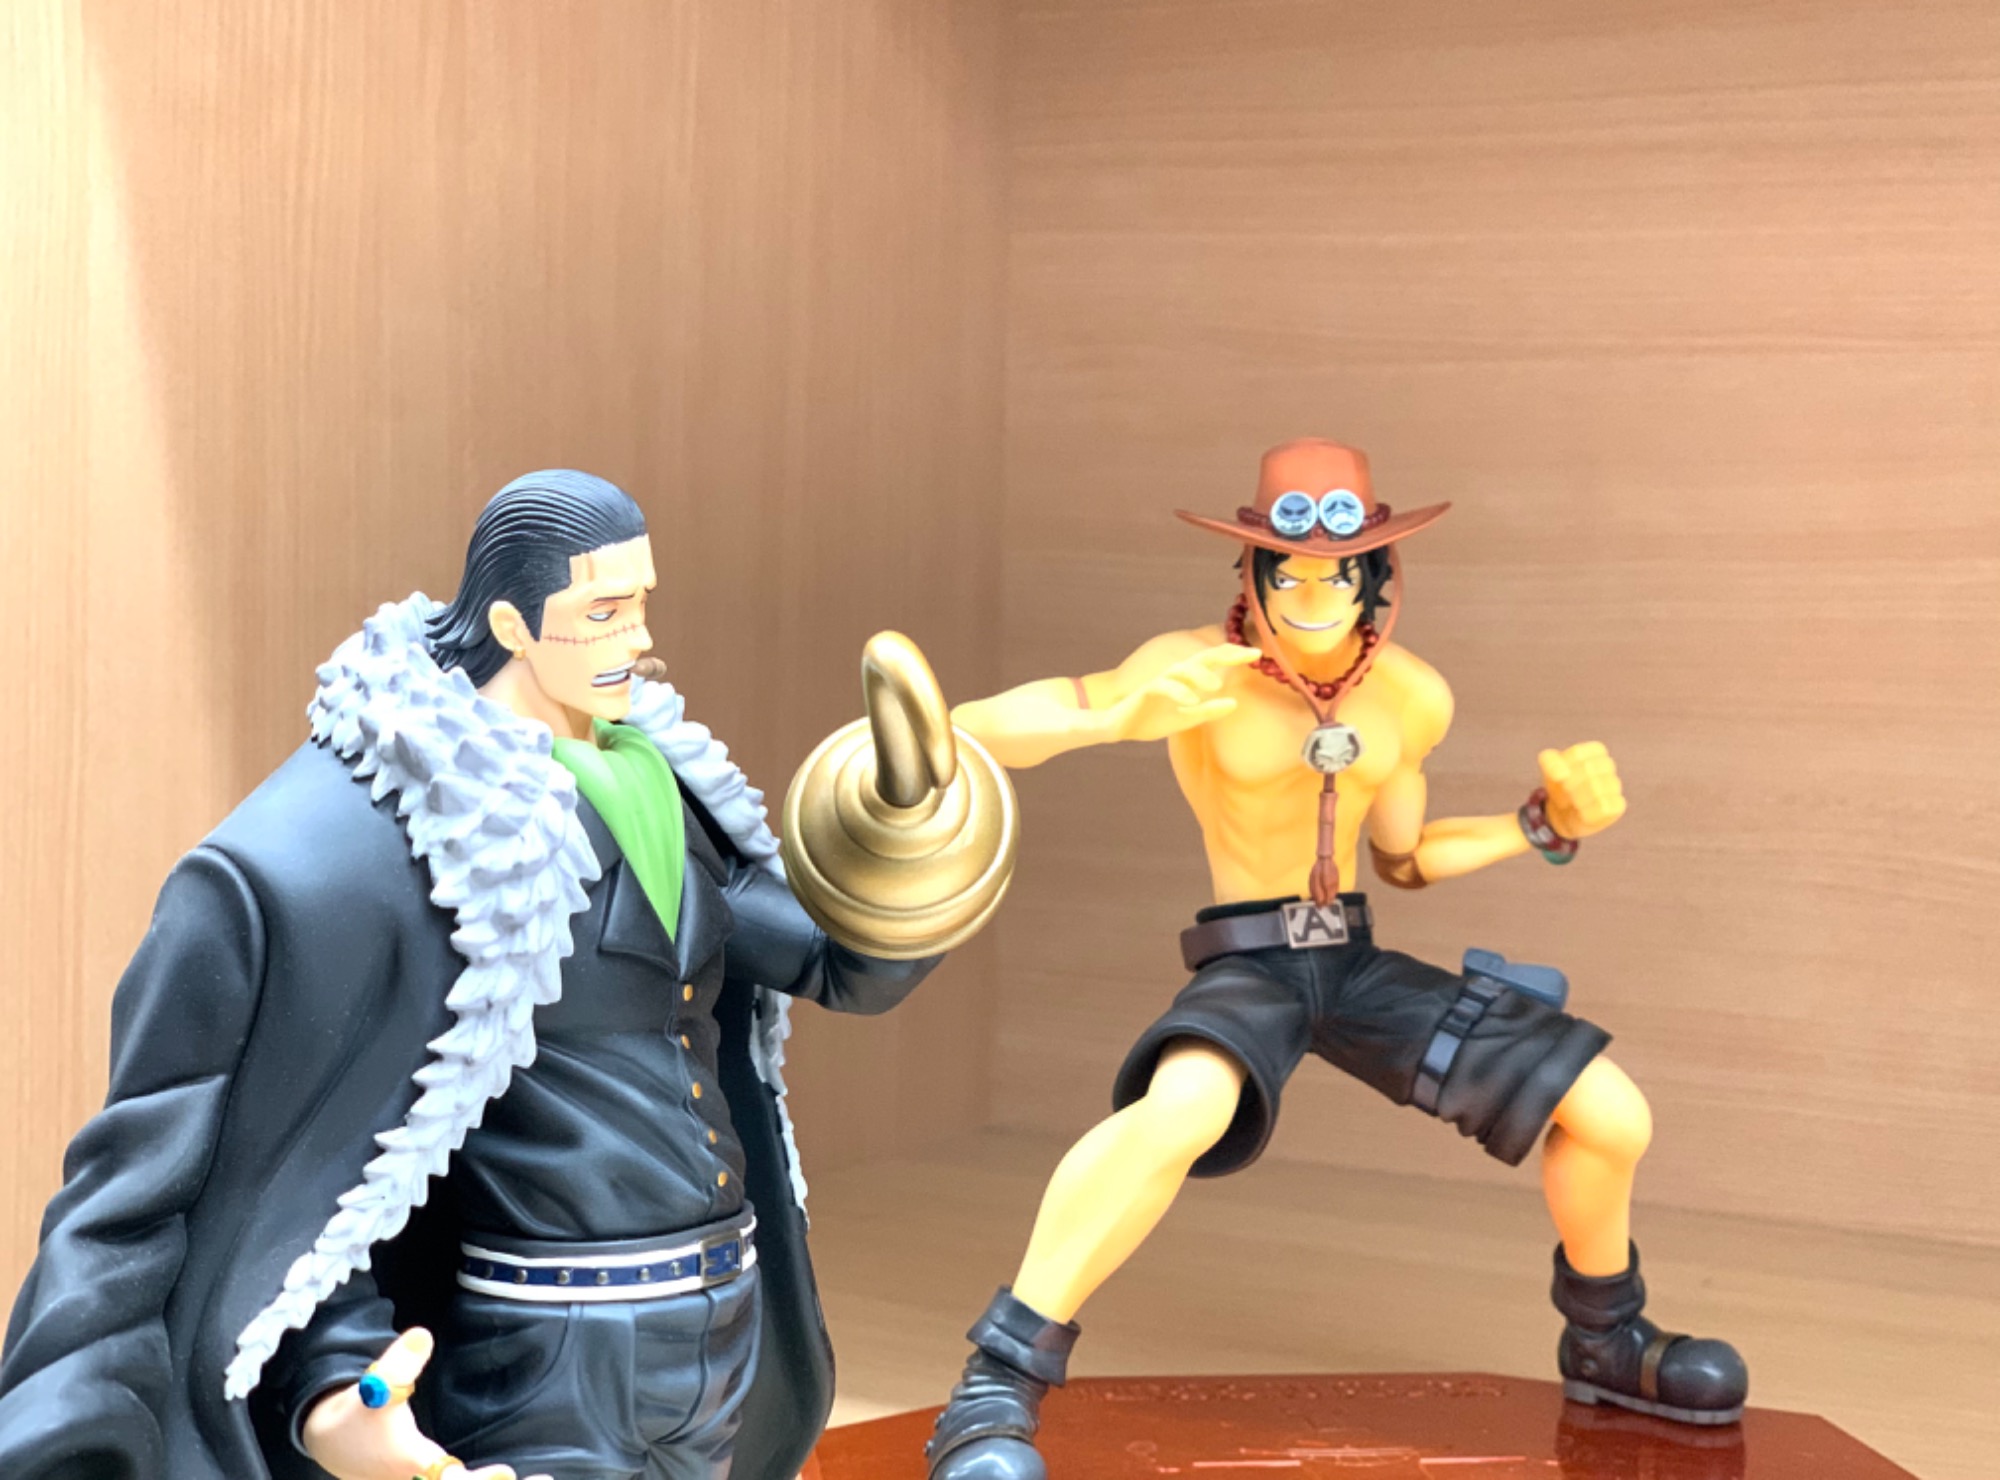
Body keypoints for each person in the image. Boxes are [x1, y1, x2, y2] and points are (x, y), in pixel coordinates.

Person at [0, 470, 963, 1480]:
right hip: (548, 1348)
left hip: (717, 1325)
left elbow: (839, 962)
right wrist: (338, 1382)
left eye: (640, 602)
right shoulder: (413, 832)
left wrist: (923, 837)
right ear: (512, 622)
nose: (638, 637)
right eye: (602, 612)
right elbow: (311, 1151)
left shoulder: (661, 788)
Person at [923, 439, 1747, 1480]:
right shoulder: (1195, 669)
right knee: (1180, 1112)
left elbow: (1405, 856)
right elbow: (971, 729)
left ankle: (1608, 1343)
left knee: (1611, 1112)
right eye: (1290, 572)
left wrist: (1538, 825)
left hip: (1353, 964)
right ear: (1253, 575)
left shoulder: (1410, 696)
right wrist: (1122, 716)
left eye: (1336, 571)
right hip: (1251, 963)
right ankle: (995, 1385)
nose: (1313, 592)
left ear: (1376, 579)